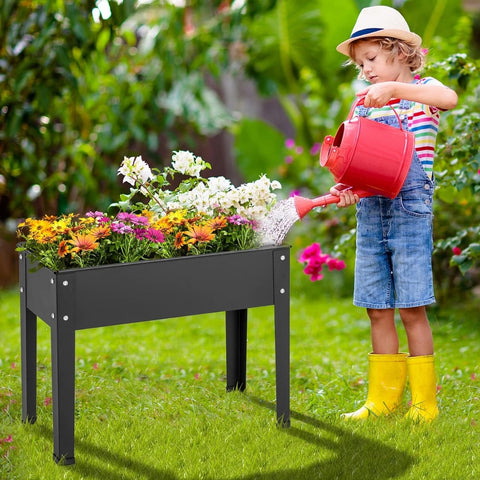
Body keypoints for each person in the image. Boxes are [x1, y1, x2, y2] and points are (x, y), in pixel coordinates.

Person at [330, 6, 458, 421]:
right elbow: (354, 158)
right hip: (370, 210)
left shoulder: (424, 92)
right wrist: (345, 187)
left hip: (408, 211)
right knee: (377, 307)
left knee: (411, 307)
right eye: (360, 63)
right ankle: (382, 401)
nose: (365, 70)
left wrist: (398, 92)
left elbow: (449, 98)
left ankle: (424, 404)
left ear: (401, 52)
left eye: (372, 59)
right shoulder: (361, 105)